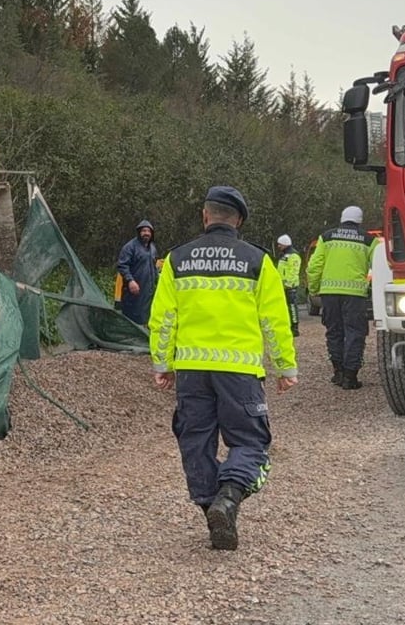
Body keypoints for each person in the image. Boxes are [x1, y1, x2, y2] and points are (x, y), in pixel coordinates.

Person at [147, 186, 297, 551]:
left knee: (195, 441)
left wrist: (162, 363)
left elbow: (163, 318)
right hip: (240, 372)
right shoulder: (258, 261)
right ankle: (228, 498)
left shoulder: (177, 260)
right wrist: (285, 367)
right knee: (250, 442)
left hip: (192, 371)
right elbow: (275, 322)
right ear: (239, 221)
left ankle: (211, 510)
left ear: (204, 215)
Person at [306, 206, 379, 390]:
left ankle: (337, 372)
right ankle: (350, 376)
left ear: (342, 218)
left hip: (329, 294)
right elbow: (379, 267)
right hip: (355, 296)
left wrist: (314, 288)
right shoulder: (369, 240)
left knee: (334, 332)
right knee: (355, 333)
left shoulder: (326, 237)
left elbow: (314, 266)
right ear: (360, 220)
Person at [117, 220, 158, 327]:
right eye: (144, 230)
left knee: (146, 316)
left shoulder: (152, 248)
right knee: (132, 317)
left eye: (149, 231)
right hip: (133, 290)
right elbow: (122, 265)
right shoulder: (130, 247)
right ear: (139, 232)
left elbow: (154, 266)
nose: (146, 233)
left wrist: (158, 282)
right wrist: (130, 281)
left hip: (148, 290)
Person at [275, 234, 302, 337]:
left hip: (290, 287)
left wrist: (289, 284)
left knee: (292, 307)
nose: (278, 246)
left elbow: (294, 271)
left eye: (280, 244)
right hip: (282, 286)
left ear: (285, 244)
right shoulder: (284, 255)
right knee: (285, 307)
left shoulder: (294, 255)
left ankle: (295, 327)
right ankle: (288, 325)